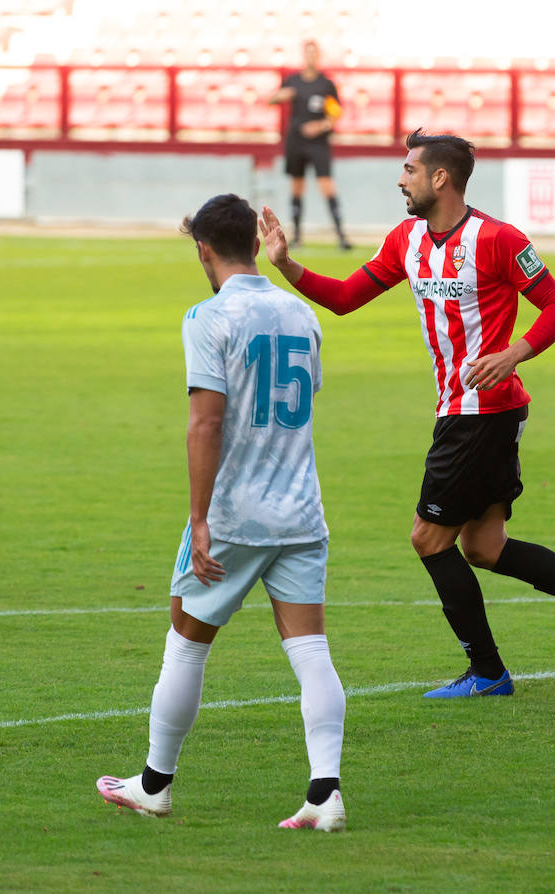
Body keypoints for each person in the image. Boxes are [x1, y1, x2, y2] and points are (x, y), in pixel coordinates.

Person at [259, 129, 555, 699]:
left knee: (428, 538)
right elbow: (346, 298)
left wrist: (514, 352)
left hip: (482, 412)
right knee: (484, 547)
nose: (401, 179)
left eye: (409, 170)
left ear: (440, 178)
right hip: (464, 410)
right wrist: (288, 265)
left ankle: (489, 671)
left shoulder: (497, 239)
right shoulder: (406, 239)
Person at [97, 194, 346, 831]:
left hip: (235, 513)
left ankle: (154, 785)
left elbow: (206, 423)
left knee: (185, 644)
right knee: (311, 649)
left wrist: (200, 518)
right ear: (256, 245)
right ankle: (325, 795)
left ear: (204, 249)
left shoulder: (208, 317)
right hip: (300, 511)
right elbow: (304, 397)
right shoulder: (301, 312)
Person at [267, 40, 351, 250]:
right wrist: (282, 95)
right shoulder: (293, 81)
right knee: (296, 187)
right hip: (296, 141)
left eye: (315, 52)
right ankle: (296, 237)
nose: (311, 56)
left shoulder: (325, 84)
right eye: (308, 52)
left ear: (318, 55)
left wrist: (321, 125)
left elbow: (335, 113)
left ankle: (341, 236)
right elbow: (271, 100)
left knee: (327, 186)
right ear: (304, 55)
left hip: (319, 143)